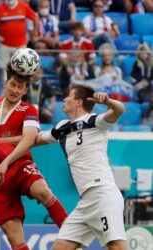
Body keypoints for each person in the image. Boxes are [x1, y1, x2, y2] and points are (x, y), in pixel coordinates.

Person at [0, 57, 67, 250]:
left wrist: (6, 161)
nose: (15, 90)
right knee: (13, 235)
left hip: (19, 165)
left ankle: (71, 234)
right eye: (13, 85)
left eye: (20, 87)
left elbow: (29, 139)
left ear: (25, 91)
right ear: (6, 83)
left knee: (42, 190)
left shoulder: (29, 110)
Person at [35, 84, 127, 250]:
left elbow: (120, 110)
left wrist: (108, 101)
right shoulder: (62, 127)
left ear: (78, 102)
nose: (64, 99)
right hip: (85, 202)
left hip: (102, 194)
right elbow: (34, 139)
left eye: (68, 95)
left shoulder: (94, 121)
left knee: (117, 246)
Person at [0, 0, 39, 80]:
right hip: (4, 45)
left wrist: (34, 33)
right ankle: (5, 90)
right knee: (4, 70)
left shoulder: (23, 6)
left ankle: (20, 91)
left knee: (21, 71)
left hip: (20, 44)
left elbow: (35, 18)